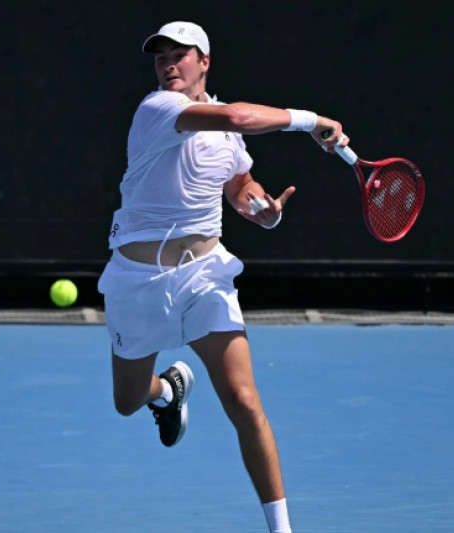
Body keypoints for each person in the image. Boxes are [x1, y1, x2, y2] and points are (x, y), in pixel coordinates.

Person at [97, 21, 348, 533]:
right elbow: (235, 115)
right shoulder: (158, 109)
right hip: (137, 280)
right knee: (126, 402)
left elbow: (238, 180)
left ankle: (281, 529)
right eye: (160, 57)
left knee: (244, 401)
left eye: (180, 55)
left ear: (204, 61)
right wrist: (312, 120)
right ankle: (165, 393)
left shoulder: (226, 133)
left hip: (205, 278)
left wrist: (258, 206)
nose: (168, 65)